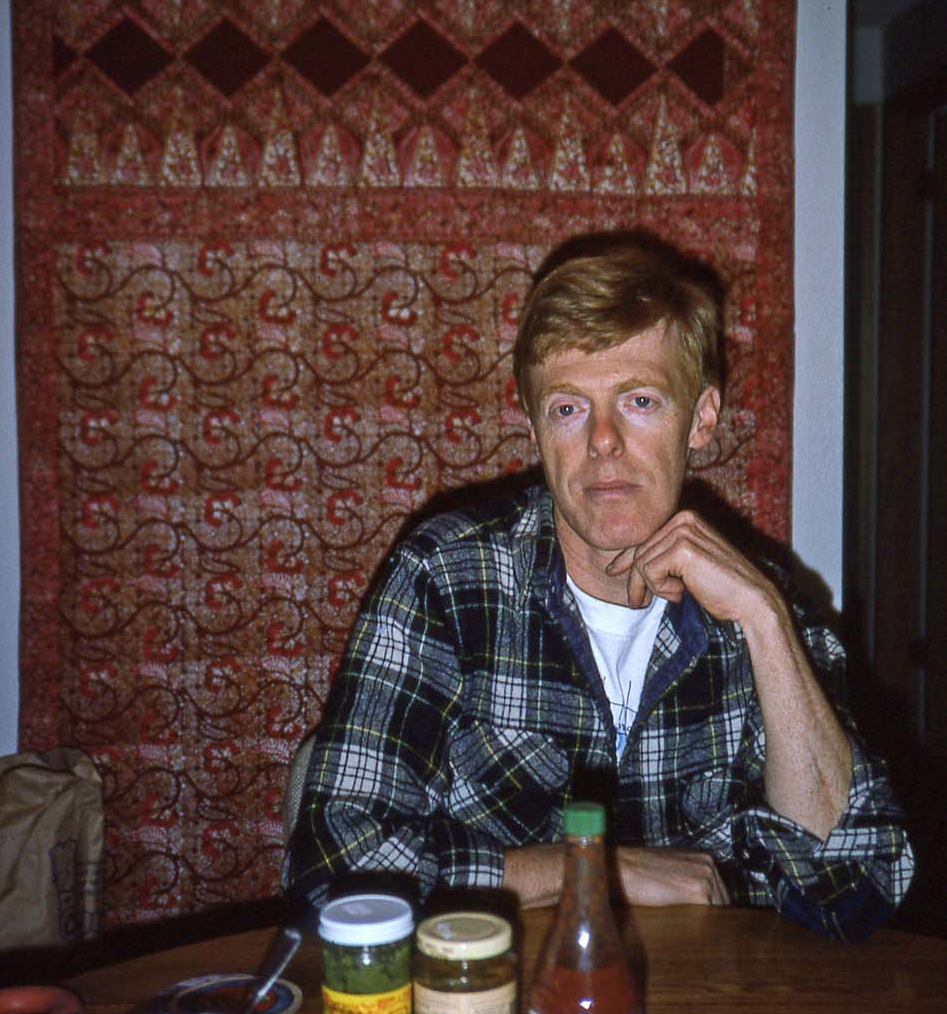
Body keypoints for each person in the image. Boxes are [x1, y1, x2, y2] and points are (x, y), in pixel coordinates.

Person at [284, 235, 913, 940]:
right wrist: (590, 871)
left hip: (716, 998)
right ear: (534, 428)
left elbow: (858, 887)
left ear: (701, 420)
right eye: (568, 408)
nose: (603, 440)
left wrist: (766, 621)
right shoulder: (447, 580)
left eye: (639, 401)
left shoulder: (760, 600)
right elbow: (330, 869)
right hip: (502, 993)